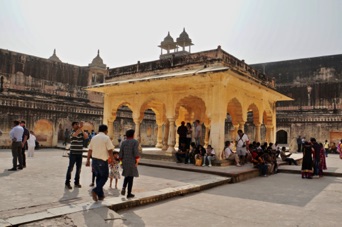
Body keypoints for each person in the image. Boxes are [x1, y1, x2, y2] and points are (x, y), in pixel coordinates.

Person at [86, 124, 115, 201]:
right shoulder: (106, 138)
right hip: (102, 161)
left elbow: (90, 150)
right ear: (106, 130)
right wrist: (112, 160)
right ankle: (95, 190)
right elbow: (110, 150)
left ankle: (100, 195)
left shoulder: (94, 138)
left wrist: (88, 160)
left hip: (94, 160)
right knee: (104, 177)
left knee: (98, 177)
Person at [65, 121, 89, 190]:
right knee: (70, 168)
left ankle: (77, 182)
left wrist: (81, 129)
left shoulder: (81, 132)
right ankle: (67, 182)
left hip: (79, 153)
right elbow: (75, 135)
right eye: (76, 124)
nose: (77, 125)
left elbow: (86, 136)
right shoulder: (72, 132)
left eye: (78, 124)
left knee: (78, 169)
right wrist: (80, 127)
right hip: (73, 153)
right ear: (73, 126)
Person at [119, 129, 140, 199]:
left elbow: (121, 153)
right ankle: (129, 193)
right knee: (131, 177)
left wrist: (121, 162)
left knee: (126, 175)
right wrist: (137, 161)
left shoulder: (123, 142)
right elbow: (136, 152)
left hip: (125, 161)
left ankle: (124, 187)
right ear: (133, 134)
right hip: (132, 161)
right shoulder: (135, 142)